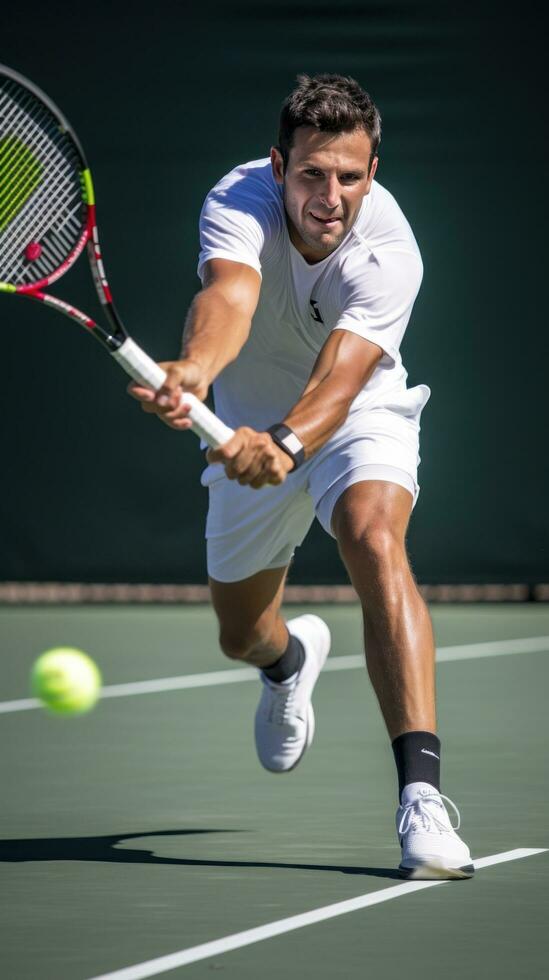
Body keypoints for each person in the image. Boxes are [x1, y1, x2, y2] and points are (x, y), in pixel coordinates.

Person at [129, 74, 473, 880]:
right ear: (278, 164)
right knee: (239, 633)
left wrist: (282, 442)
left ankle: (420, 800)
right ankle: (286, 664)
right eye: (312, 174)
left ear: (372, 170)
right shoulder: (237, 197)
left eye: (349, 176)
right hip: (246, 420)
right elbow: (230, 296)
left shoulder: (390, 251)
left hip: (351, 416)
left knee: (373, 537)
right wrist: (196, 371)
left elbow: (341, 381)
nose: (330, 196)